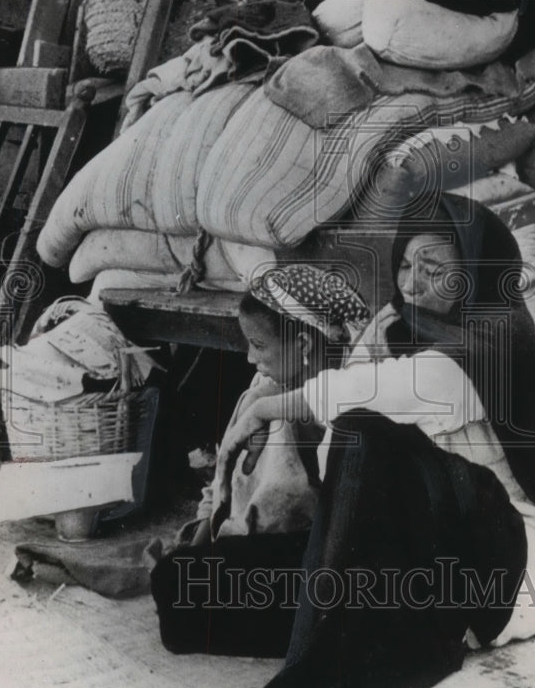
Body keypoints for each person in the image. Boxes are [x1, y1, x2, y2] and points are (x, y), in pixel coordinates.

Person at [213, 195, 535, 688]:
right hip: (426, 564)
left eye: (434, 271)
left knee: (367, 429)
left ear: (474, 274)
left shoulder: (492, 340)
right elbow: (337, 464)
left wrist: (268, 407)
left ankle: (304, 685)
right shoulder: (400, 327)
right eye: (405, 265)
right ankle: (393, 641)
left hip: (509, 568)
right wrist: (372, 345)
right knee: (189, 592)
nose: (411, 284)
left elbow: (368, 401)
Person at [149, 264, 370, 658]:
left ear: (303, 345)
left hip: (321, 558)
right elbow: (221, 482)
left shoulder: (340, 408)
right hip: (269, 554)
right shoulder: (262, 392)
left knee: (182, 599)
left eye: (260, 345)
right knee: (176, 577)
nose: (250, 357)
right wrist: (201, 543)